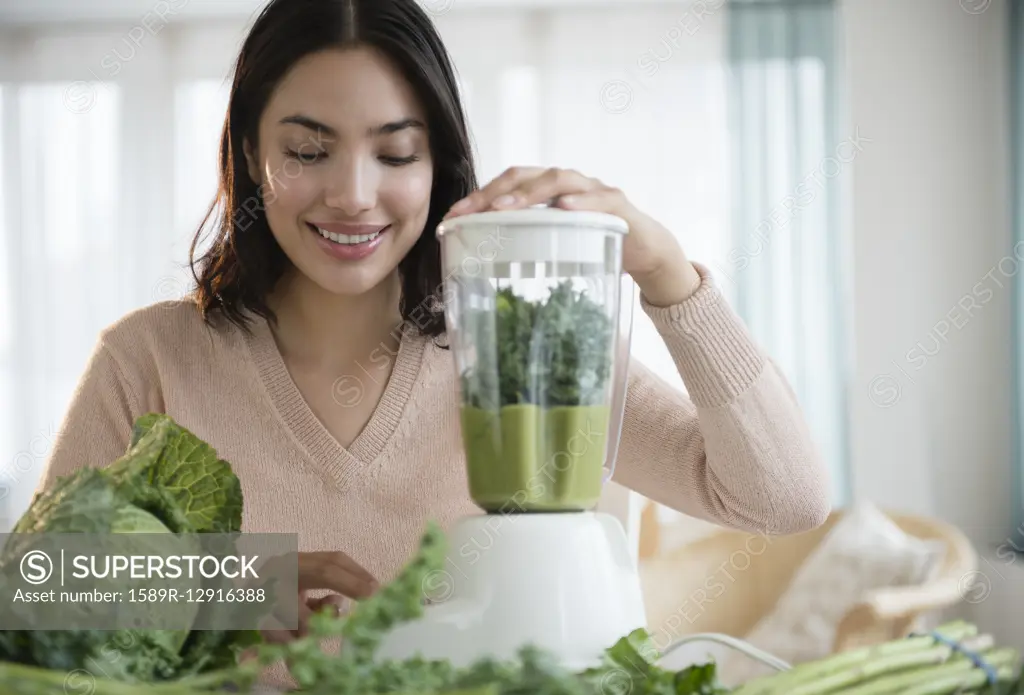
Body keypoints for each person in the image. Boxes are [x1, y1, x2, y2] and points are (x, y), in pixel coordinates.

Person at [36, 0, 831, 681]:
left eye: (395, 152)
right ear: (251, 153)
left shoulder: (524, 348)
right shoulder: (150, 361)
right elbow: (36, 587)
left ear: (439, 162)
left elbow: (781, 498)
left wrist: (665, 274)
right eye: (308, 151)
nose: (352, 195)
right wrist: (245, 586)